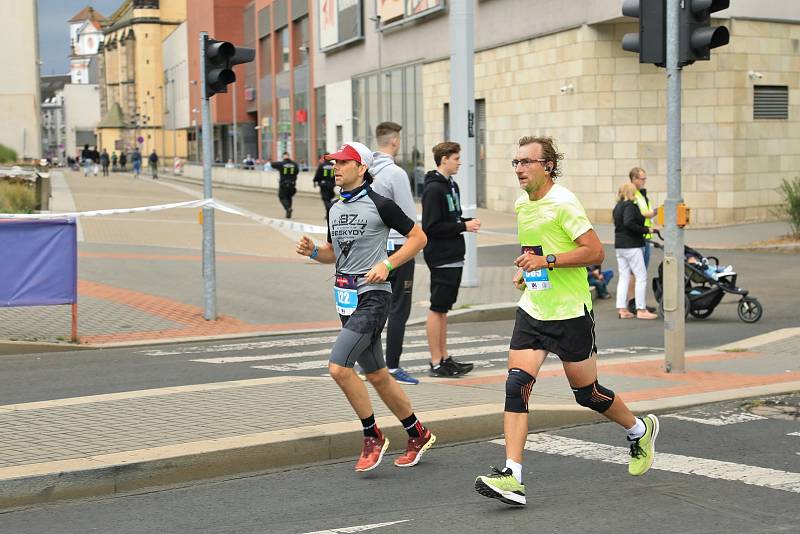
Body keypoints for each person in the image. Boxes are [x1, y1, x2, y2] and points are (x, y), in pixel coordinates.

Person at [474, 136, 660, 507]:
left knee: (587, 394)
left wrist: (548, 263)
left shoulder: (564, 202)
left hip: (571, 312)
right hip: (534, 308)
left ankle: (640, 430)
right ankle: (513, 476)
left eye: (527, 162)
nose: (519, 168)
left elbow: (595, 251)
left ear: (548, 166)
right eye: (515, 162)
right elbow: (535, 249)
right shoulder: (522, 203)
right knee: (516, 385)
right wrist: (528, 271)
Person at [294, 141, 436, 472]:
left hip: (374, 296)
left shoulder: (380, 204)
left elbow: (419, 238)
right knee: (377, 374)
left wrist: (387, 264)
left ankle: (372, 434)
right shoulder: (333, 208)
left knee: (339, 368)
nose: (336, 168)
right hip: (345, 297)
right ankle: (418, 433)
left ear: (362, 169)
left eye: (343, 162)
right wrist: (313, 251)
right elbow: (334, 253)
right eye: (334, 163)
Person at [421, 142, 480, 378]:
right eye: (456, 158)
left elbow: (450, 216)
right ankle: (436, 362)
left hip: (453, 254)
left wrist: (465, 221)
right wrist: (463, 226)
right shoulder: (434, 189)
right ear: (444, 159)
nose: (459, 162)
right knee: (437, 308)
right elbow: (432, 226)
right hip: (441, 256)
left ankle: (444, 357)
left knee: (444, 309)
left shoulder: (450, 185)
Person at [369, 121, 419, 385]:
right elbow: (409, 218)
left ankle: (371, 363)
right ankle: (392, 366)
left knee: (375, 306)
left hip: (375, 247)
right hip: (399, 248)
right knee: (399, 308)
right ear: (395, 141)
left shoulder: (367, 171)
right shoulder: (395, 174)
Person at [614, 182, 658, 320]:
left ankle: (622, 309)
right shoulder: (630, 206)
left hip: (620, 245)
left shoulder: (617, 207)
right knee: (641, 276)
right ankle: (641, 309)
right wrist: (647, 230)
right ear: (630, 193)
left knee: (624, 277)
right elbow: (629, 223)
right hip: (632, 245)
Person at [269, 152, 300, 219]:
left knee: (282, 197)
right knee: (289, 197)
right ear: (289, 156)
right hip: (292, 184)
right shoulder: (294, 164)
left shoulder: (281, 164)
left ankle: (288, 209)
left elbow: (272, 164)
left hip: (284, 184)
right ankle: (288, 211)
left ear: (283, 157)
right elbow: (297, 171)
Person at [313, 154, 336, 219]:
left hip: (324, 185)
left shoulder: (322, 165)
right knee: (329, 198)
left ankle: (329, 211)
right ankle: (328, 214)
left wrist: (315, 181)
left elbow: (317, 174)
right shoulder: (333, 165)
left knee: (326, 199)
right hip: (331, 184)